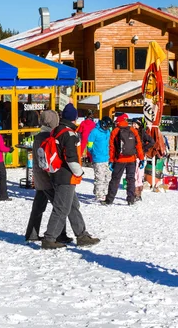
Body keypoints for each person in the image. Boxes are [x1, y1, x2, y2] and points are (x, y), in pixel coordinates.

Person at [41, 104, 100, 249]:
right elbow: (71, 158)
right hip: (66, 176)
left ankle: (81, 235)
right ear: (74, 118)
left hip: (56, 172)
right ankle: (49, 238)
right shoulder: (69, 134)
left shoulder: (56, 130)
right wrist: (79, 172)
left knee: (73, 206)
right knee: (62, 208)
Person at [25, 110, 70, 243]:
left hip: (40, 177)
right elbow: (47, 159)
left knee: (38, 207)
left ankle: (31, 233)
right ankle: (58, 234)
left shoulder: (40, 135)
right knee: (60, 206)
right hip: (47, 178)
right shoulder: (47, 136)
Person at [103, 114, 144, 206]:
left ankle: (109, 200)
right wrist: (141, 158)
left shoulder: (115, 131)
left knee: (115, 179)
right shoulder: (133, 130)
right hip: (132, 159)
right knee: (131, 179)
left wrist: (111, 160)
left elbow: (112, 148)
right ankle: (131, 199)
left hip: (119, 160)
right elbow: (138, 146)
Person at [87, 116, 112, 202]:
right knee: (100, 177)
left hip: (107, 157)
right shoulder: (94, 132)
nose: (107, 128)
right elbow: (89, 145)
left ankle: (103, 192)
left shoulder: (108, 132)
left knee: (107, 177)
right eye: (106, 126)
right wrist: (94, 152)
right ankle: (99, 195)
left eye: (108, 127)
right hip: (98, 158)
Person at [131, 118, 154, 201]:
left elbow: (152, 141)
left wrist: (144, 148)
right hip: (132, 156)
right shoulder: (130, 132)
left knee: (139, 175)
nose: (134, 125)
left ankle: (138, 194)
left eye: (136, 124)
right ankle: (133, 193)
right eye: (133, 123)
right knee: (133, 175)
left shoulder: (142, 133)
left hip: (140, 156)